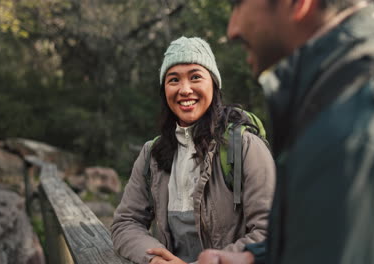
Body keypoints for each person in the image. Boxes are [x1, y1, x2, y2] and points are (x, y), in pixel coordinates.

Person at [198, 0, 374, 263]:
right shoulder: (347, 110)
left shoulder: (355, 138)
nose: (232, 29)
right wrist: (254, 259)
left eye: (238, 4)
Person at [111, 36, 275, 264]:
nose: (185, 89)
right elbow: (125, 223)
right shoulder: (152, 154)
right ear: (164, 89)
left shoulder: (244, 147)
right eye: (174, 80)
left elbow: (270, 233)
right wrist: (156, 259)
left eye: (195, 76)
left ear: (214, 83)